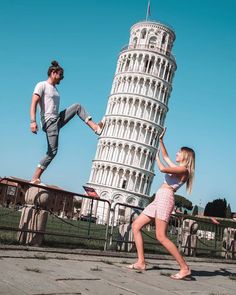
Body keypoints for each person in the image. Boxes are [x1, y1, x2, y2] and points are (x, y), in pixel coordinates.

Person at [128, 128, 195, 280]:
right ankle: (141, 262)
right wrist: (160, 141)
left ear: (185, 156)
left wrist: (155, 157)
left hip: (166, 198)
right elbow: (166, 156)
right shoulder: (178, 168)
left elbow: (163, 167)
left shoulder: (184, 170)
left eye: (179, 152)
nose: (176, 153)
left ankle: (184, 268)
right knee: (136, 226)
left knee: (161, 236)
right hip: (159, 198)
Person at [30, 60, 105, 184]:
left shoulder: (55, 89)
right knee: (52, 152)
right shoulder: (41, 85)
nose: (62, 79)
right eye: (61, 75)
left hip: (57, 119)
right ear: (53, 73)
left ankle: (96, 127)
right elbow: (33, 103)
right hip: (50, 122)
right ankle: (35, 178)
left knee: (77, 107)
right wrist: (33, 121)